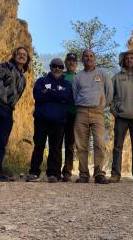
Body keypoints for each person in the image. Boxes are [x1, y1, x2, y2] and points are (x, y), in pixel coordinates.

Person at [26, 58, 73, 183]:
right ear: (50, 67)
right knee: (39, 146)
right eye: (54, 66)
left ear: (63, 69)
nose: (57, 68)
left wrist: (48, 92)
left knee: (55, 148)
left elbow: (66, 96)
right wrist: (56, 93)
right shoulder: (42, 80)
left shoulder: (67, 84)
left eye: (60, 67)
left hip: (58, 120)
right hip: (41, 119)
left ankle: (53, 173)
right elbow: (37, 95)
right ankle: (34, 172)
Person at [0, 46, 31, 181]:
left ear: (27, 59)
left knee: (1, 143)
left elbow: (17, 97)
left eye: (24, 54)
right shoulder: (4, 67)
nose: (22, 56)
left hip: (8, 111)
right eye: (19, 54)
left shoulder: (23, 79)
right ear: (14, 55)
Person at [73, 49, 113, 184]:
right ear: (82, 59)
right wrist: (81, 105)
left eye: (91, 56)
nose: (88, 58)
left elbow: (110, 91)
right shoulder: (78, 77)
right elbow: (75, 94)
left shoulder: (102, 73)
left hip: (98, 112)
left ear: (94, 58)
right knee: (81, 145)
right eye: (86, 56)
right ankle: (84, 174)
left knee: (100, 143)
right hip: (81, 112)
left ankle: (99, 174)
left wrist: (102, 105)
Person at [109, 50, 133, 183]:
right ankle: (115, 174)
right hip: (121, 117)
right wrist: (115, 111)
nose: (129, 60)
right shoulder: (117, 78)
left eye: (131, 58)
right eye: (127, 58)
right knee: (117, 146)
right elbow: (110, 97)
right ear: (123, 61)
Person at [61, 53, 78, 182]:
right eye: (69, 60)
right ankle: (54, 170)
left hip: (74, 114)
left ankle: (67, 171)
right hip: (60, 114)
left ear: (76, 64)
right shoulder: (60, 76)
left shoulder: (80, 77)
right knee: (56, 142)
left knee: (70, 143)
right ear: (65, 63)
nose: (71, 62)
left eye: (73, 61)